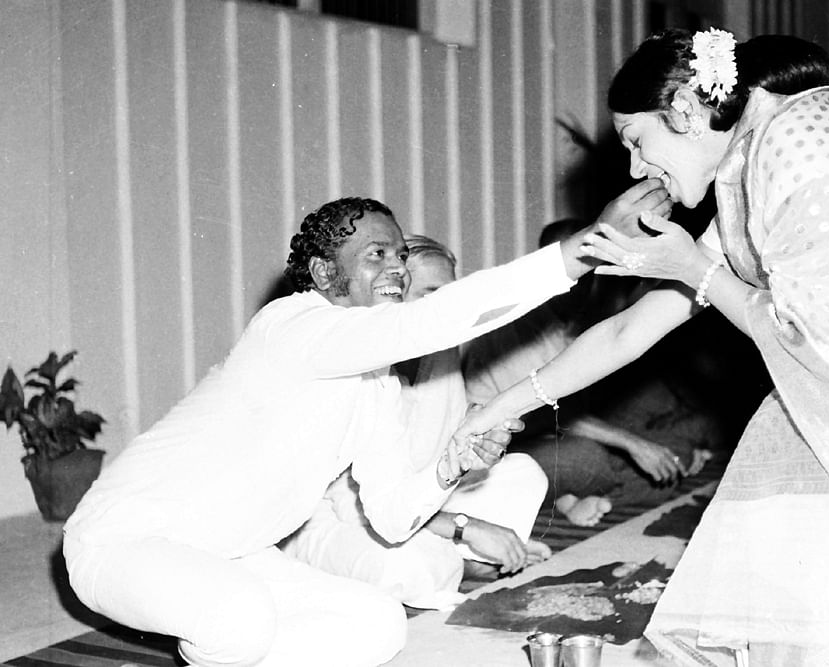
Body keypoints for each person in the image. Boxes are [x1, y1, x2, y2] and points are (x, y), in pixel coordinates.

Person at [453, 29, 829, 665]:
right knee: (807, 490)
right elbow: (632, 330)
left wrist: (692, 268)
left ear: (685, 110)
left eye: (637, 141)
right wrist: (493, 411)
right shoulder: (744, 169)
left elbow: (809, 341)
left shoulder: (795, 142)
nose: (635, 167)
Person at [62, 188, 671, 667]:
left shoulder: (376, 383)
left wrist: (451, 464)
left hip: (235, 554)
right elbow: (433, 322)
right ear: (326, 275)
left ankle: (225, 649)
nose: (398, 268)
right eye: (377, 253)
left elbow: (390, 515)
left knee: (379, 624)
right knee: (240, 620)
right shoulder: (291, 326)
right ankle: (223, 645)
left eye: (401, 254)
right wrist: (582, 249)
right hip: (124, 542)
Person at [281, 233, 551, 611]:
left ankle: (464, 559)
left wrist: (480, 443)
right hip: (340, 517)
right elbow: (358, 506)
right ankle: (460, 562)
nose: (447, 308)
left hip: (412, 505)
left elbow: (442, 452)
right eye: (431, 294)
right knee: (416, 567)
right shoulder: (357, 363)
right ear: (394, 291)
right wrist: (467, 527)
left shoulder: (440, 351)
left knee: (523, 472)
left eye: (450, 295)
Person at [463, 219, 714, 527]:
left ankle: (593, 489)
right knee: (592, 458)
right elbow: (544, 409)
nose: (582, 278)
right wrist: (633, 444)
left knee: (672, 419)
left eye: (590, 267)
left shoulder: (574, 313)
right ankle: (567, 499)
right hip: (510, 448)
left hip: (566, 429)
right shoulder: (517, 323)